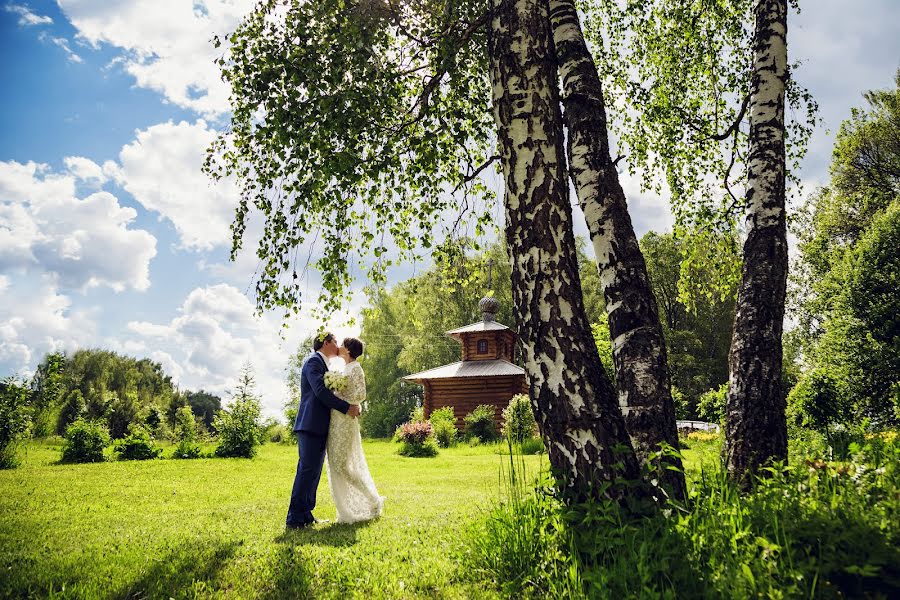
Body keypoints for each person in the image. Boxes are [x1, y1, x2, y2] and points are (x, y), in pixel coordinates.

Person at [286, 332, 361, 529]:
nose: (338, 345)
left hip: (321, 426)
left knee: (314, 472)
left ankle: (306, 514)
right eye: (335, 341)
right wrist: (347, 408)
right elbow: (320, 392)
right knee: (306, 470)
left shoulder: (324, 364)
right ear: (326, 343)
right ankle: (294, 518)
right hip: (309, 425)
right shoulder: (313, 362)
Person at [326, 337, 384, 523]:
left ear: (349, 350)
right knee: (336, 464)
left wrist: (344, 395)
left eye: (343, 345)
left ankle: (372, 499)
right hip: (336, 420)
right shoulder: (346, 369)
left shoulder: (356, 368)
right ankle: (346, 509)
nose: (340, 347)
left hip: (346, 420)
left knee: (342, 464)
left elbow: (361, 394)